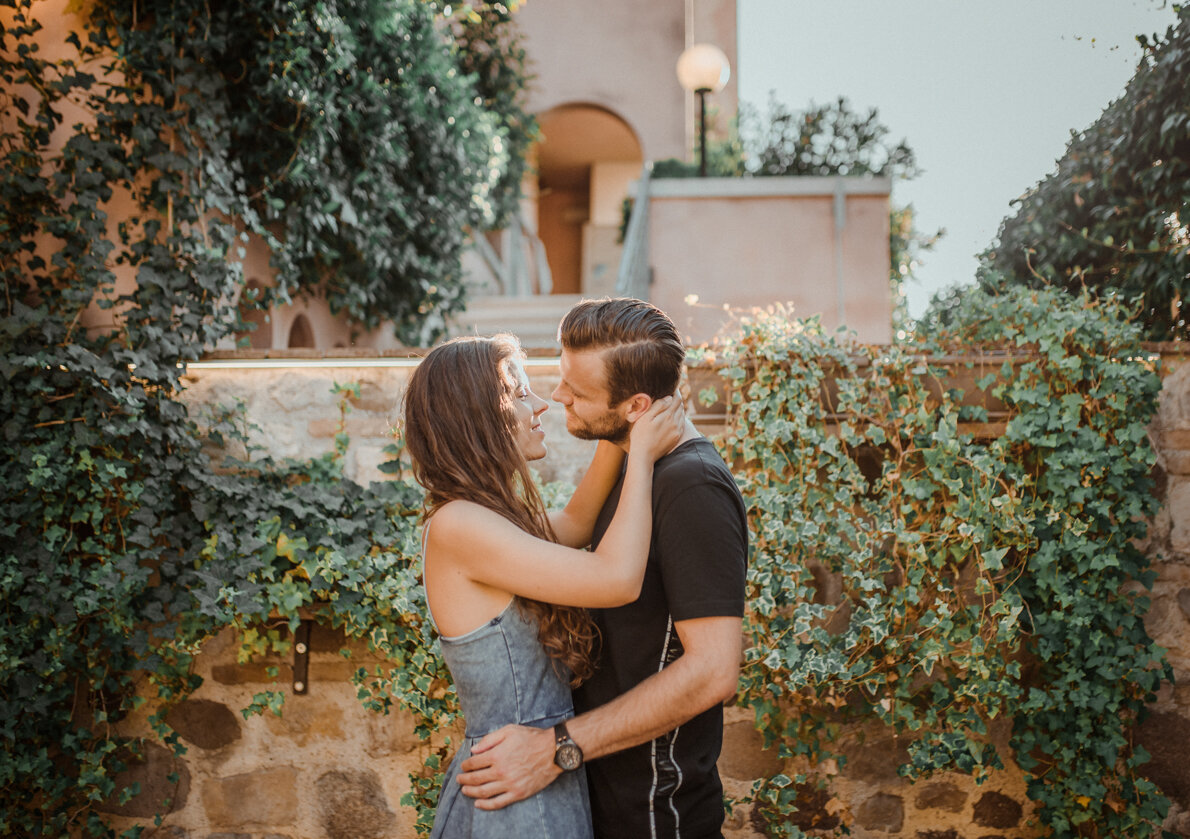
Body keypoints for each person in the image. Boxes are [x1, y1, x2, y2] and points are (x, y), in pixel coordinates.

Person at [456, 299, 749, 839]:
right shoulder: (633, 466)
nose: (557, 397)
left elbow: (713, 669)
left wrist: (559, 747)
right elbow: (571, 528)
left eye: (577, 391)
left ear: (635, 405)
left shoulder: (691, 486)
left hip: (656, 812)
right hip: (597, 800)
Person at [402, 333, 686, 839]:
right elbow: (616, 580)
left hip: (536, 770)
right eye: (518, 392)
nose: (540, 406)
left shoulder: (485, 516)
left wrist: (622, 420)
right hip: (516, 789)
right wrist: (640, 458)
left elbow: (577, 522)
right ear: (477, 417)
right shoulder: (460, 525)